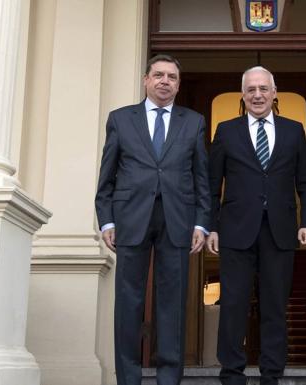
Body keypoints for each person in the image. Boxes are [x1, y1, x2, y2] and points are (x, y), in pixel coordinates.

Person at [95, 54, 210, 385]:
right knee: (129, 303)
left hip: (178, 220)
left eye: (172, 77)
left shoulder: (193, 121)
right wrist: (107, 221)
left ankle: (168, 379)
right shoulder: (120, 119)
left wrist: (201, 223)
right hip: (130, 219)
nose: (165, 81)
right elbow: (108, 175)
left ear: (178, 84)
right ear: (146, 80)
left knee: (172, 305)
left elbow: (201, 177)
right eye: (158, 75)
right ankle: (128, 378)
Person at [206, 66, 306, 385]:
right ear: (243, 94)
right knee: (233, 306)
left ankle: (272, 374)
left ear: (274, 92)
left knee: (274, 307)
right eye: (251, 89)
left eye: (263, 89)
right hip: (235, 230)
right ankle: (231, 374)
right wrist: (211, 226)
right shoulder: (226, 131)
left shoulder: (295, 130)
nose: (257, 94)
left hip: (280, 230)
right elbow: (213, 184)